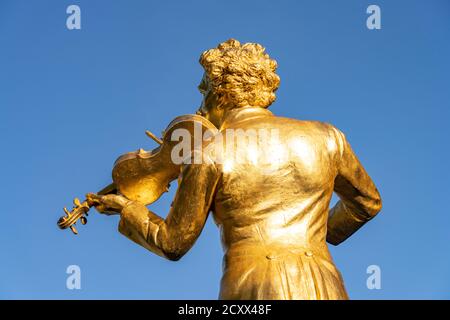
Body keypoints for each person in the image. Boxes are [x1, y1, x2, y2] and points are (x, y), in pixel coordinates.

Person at [87, 39, 382, 300]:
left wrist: (127, 209)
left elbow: (173, 243)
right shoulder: (326, 137)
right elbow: (368, 204)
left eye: (204, 90)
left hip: (252, 286)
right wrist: (317, 233)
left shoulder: (206, 153)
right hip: (325, 283)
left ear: (220, 93)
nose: (201, 102)